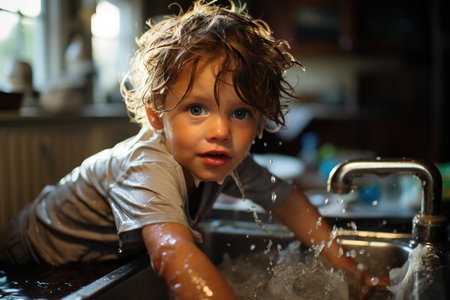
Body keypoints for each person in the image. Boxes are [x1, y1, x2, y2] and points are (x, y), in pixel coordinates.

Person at [0, 1, 387, 298]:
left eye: (240, 112)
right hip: (33, 251)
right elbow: (171, 254)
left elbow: (286, 200)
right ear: (156, 117)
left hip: (86, 255)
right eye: (197, 109)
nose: (220, 130)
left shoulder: (224, 159)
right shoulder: (147, 166)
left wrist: (349, 268)